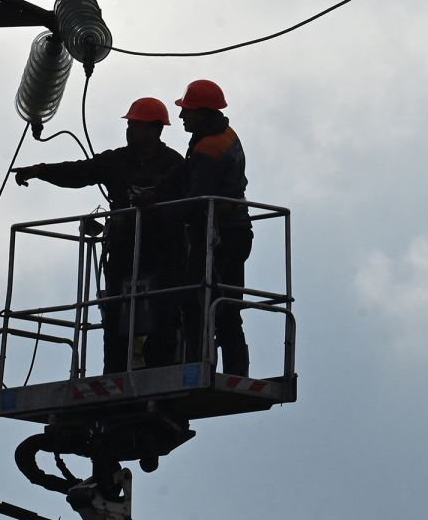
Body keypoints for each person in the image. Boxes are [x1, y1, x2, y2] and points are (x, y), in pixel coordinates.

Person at [13, 97, 184, 372]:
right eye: (129, 125)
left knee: (163, 308)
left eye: (134, 125)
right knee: (116, 310)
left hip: (162, 249)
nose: (129, 130)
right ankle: (114, 371)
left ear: (154, 129)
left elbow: (186, 202)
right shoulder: (117, 161)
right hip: (123, 247)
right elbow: (79, 172)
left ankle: (160, 366)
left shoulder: (173, 165)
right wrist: (40, 171)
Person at [171, 79, 252, 376]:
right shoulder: (224, 136)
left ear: (203, 113)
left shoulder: (209, 147)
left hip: (219, 237)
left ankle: (195, 365)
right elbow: (185, 173)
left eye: (187, 111)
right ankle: (235, 371)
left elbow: (197, 198)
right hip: (234, 231)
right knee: (226, 306)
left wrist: (165, 213)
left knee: (198, 302)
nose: (181, 116)